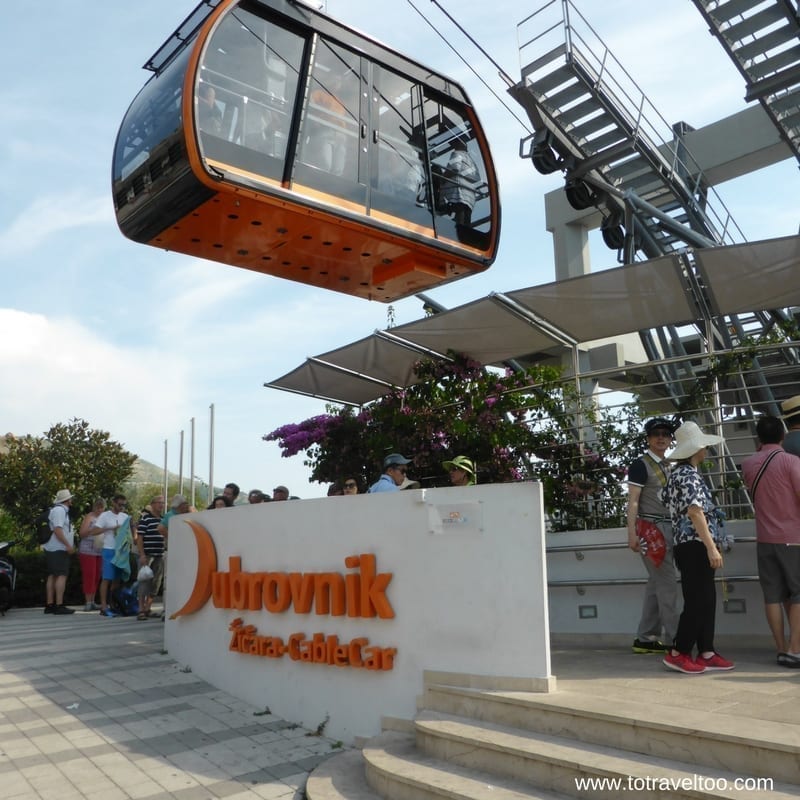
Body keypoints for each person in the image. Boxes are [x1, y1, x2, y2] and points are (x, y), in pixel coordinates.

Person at [661, 422, 733, 674]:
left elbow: (667, 501)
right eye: (702, 446)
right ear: (696, 449)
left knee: (704, 598)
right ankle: (679, 651)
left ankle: (706, 650)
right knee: (699, 600)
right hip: (695, 544)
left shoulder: (676, 475)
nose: (705, 451)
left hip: (687, 544)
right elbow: (695, 511)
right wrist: (711, 547)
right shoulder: (688, 475)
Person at [741, 415, 800, 667]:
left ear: (758, 438)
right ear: (782, 436)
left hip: (764, 538)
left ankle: (780, 647)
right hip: (792, 538)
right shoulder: (791, 461)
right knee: (798, 594)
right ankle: (795, 649)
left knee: (773, 596)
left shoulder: (748, 464)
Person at [625, 418, 680, 655]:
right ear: (648, 438)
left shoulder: (673, 464)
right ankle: (676, 640)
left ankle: (646, 638)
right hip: (652, 531)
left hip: (671, 527)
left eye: (666, 434)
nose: (661, 438)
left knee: (656, 585)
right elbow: (633, 501)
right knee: (667, 585)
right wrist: (631, 533)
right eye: (656, 434)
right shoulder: (640, 465)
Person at [91, 494, 130, 618]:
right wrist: (110, 528)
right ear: (113, 503)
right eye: (119, 504)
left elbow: (129, 531)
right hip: (108, 549)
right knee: (106, 578)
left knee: (116, 579)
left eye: (124, 505)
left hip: (121, 551)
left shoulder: (125, 516)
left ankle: (113, 603)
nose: (121, 507)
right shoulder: (105, 515)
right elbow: (94, 531)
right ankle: (103, 606)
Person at [43, 489, 76, 615]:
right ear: (67, 500)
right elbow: (57, 529)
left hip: (53, 547)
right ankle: (59, 604)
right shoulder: (60, 511)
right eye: (70, 498)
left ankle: (50, 604)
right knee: (62, 575)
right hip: (58, 548)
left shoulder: (57, 510)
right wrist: (68, 545)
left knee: (53, 575)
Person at [134, 495, 166, 619]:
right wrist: (142, 555)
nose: (161, 505)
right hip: (147, 555)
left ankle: (148, 607)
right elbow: (140, 538)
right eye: (159, 503)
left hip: (159, 554)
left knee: (156, 582)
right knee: (143, 582)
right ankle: (141, 610)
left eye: (163, 503)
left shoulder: (163, 520)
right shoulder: (145, 519)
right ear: (152, 504)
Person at [439, 137, 479, 226]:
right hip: (470, 195)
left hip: (458, 191)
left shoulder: (456, 154)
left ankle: (458, 229)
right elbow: (477, 177)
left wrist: (442, 178)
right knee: (466, 217)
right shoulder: (471, 161)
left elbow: (454, 168)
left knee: (459, 212)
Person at [77, 498, 106, 612]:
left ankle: (93, 601)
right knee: (89, 575)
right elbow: (82, 533)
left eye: (102, 508)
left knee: (96, 576)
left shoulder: (103, 517)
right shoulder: (89, 517)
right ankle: (88, 601)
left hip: (99, 549)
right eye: (98, 507)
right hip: (88, 549)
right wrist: (93, 530)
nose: (99, 510)